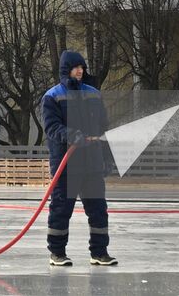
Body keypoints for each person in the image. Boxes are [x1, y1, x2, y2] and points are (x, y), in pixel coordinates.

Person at [42, 50, 116, 268]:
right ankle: (57, 253)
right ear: (66, 69)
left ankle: (99, 253)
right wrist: (72, 135)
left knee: (98, 210)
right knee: (61, 211)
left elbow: (104, 129)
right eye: (76, 67)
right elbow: (51, 127)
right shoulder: (52, 96)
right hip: (66, 165)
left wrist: (107, 158)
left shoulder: (94, 94)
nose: (80, 71)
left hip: (92, 164)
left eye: (82, 67)